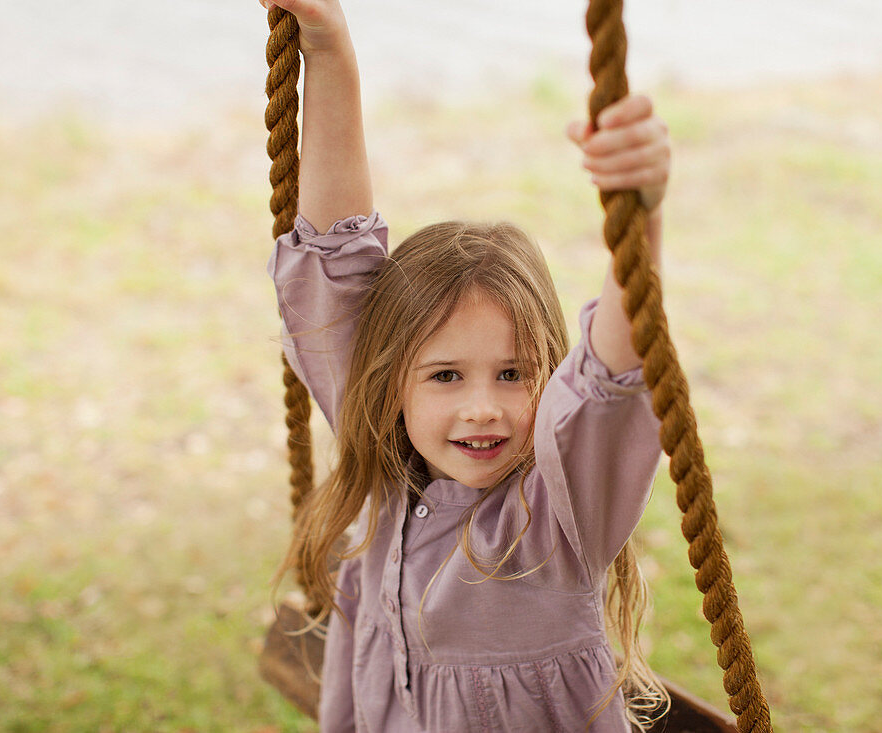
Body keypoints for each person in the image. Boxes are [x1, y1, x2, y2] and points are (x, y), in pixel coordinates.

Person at [261, 0, 672, 729]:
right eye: (446, 375)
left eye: (512, 373)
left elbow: (614, 383)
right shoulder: (386, 466)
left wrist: (641, 214)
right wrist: (327, 46)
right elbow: (333, 256)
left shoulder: (557, 517)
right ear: (391, 383)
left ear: (551, 379)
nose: (482, 405)